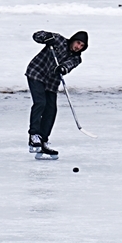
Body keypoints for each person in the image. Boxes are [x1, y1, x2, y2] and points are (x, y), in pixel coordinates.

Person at [25, 30, 88, 158]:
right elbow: (36, 35)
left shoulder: (77, 58)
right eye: (78, 43)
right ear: (73, 40)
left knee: (51, 110)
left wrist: (63, 68)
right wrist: (46, 38)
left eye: (82, 46)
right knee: (40, 102)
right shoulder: (58, 40)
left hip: (51, 83)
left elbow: (68, 65)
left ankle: (43, 141)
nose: (78, 47)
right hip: (36, 73)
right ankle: (34, 136)